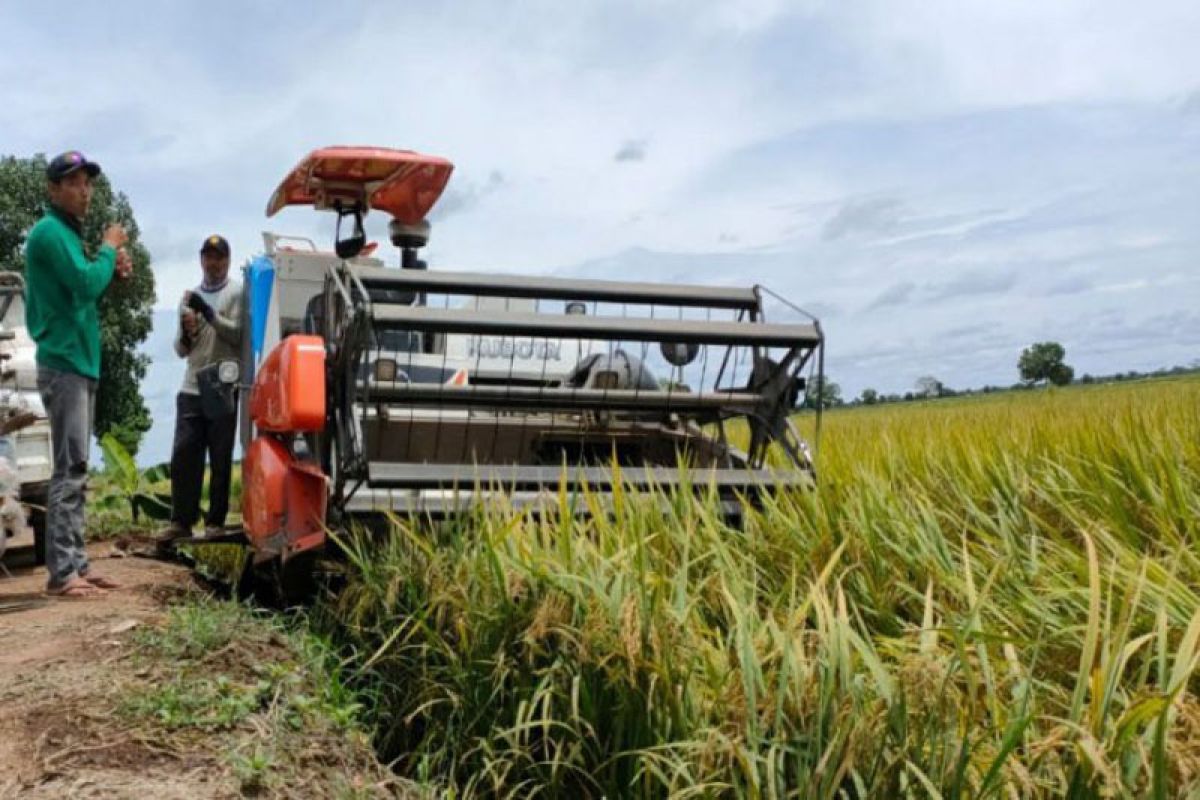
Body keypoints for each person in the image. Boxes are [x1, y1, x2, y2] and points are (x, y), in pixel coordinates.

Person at [24, 150, 133, 598]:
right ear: (54, 190)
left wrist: (110, 269)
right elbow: (86, 283)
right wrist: (109, 250)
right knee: (69, 470)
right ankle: (63, 573)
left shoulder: (67, 236)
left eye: (88, 182)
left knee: (78, 469)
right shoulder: (49, 232)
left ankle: (78, 565)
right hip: (65, 364)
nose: (85, 190)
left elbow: (83, 291)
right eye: (75, 182)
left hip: (80, 363)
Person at [157, 235, 242, 552]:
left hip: (221, 382)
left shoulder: (236, 292)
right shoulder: (186, 299)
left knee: (220, 457)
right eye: (208, 257)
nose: (213, 263)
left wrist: (207, 312)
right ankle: (181, 520)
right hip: (191, 383)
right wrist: (188, 329)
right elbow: (180, 349)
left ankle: (215, 522)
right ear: (201, 260)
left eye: (219, 257)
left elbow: (237, 334)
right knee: (184, 456)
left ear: (228, 261)